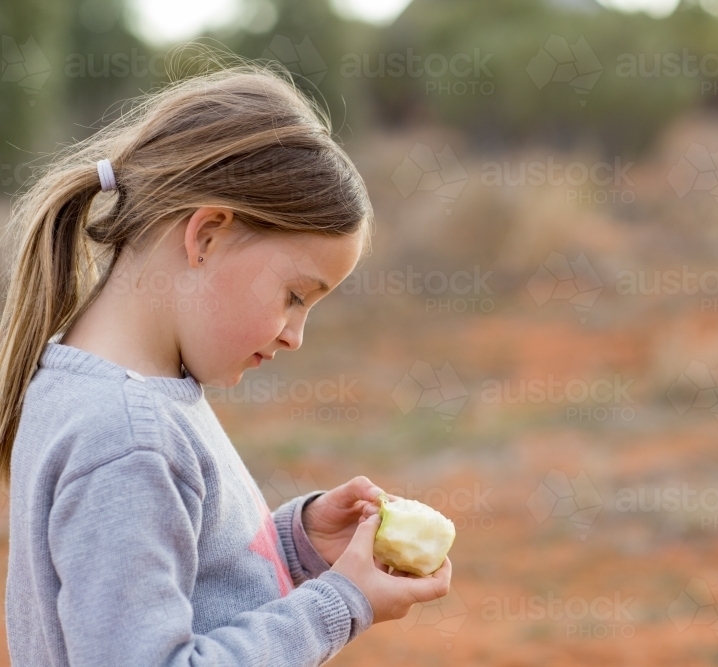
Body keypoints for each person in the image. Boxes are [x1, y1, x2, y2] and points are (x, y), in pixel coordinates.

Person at [0, 61, 451, 666]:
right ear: (207, 235)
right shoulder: (129, 439)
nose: (296, 336)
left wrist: (298, 543)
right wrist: (337, 603)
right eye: (295, 295)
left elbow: (199, 581)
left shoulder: (128, 393)